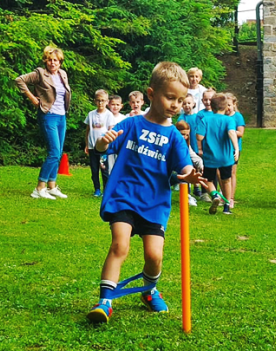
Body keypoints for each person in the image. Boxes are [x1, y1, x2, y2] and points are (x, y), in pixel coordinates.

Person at [86, 62, 206, 323]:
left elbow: (183, 165)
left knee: (154, 255)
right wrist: (100, 143)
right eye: (170, 97)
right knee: (120, 244)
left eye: (180, 100)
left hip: (154, 203)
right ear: (151, 94)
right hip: (124, 197)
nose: (175, 105)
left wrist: (189, 175)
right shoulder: (131, 125)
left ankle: (149, 290)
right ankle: (104, 301)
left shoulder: (174, 136)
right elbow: (100, 149)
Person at [16, 45, 71, 200]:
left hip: (61, 116)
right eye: (49, 60)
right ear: (45, 61)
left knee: (58, 153)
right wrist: (32, 98)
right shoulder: (40, 74)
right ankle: (39, 188)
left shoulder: (62, 74)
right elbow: (19, 80)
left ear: (60, 62)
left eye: (55, 60)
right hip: (48, 115)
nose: (52, 63)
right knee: (53, 152)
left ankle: (52, 186)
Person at [196, 93, 239, 215]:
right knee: (226, 180)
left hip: (210, 158)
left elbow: (199, 137)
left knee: (208, 180)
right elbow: (231, 133)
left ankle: (215, 195)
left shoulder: (205, 119)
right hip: (226, 157)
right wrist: (235, 148)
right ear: (226, 107)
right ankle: (226, 206)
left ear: (212, 106)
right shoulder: (229, 120)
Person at [84, 90, 116, 197]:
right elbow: (88, 130)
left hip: (103, 148)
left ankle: (106, 189)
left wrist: (109, 145)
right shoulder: (91, 114)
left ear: (107, 102)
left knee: (104, 169)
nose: (100, 103)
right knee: (94, 169)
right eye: (98, 101)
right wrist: (86, 145)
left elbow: (111, 131)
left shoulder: (109, 115)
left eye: (103, 101)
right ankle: (97, 189)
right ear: (95, 101)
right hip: (92, 146)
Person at [224, 93, 245, 207]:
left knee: (232, 172)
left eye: (229, 105)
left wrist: (229, 131)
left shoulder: (237, 116)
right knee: (222, 173)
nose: (227, 108)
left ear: (234, 104)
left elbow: (240, 133)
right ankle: (224, 195)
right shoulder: (221, 116)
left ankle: (231, 197)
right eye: (225, 105)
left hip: (233, 148)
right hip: (222, 148)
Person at [175, 120, 203, 207]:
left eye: (187, 135)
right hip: (167, 170)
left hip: (179, 170)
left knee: (187, 170)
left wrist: (200, 165)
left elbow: (193, 156)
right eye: (182, 134)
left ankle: (187, 195)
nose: (185, 137)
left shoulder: (185, 145)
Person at [106, 95, 127, 175]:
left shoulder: (124, 118)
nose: (115, 107)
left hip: (121, 145)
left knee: (121, 165)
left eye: (117, 105)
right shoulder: (106, 116)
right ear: (109, 105)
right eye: (113, 104)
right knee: (110, 167)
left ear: (121, 106)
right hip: (110, 145)